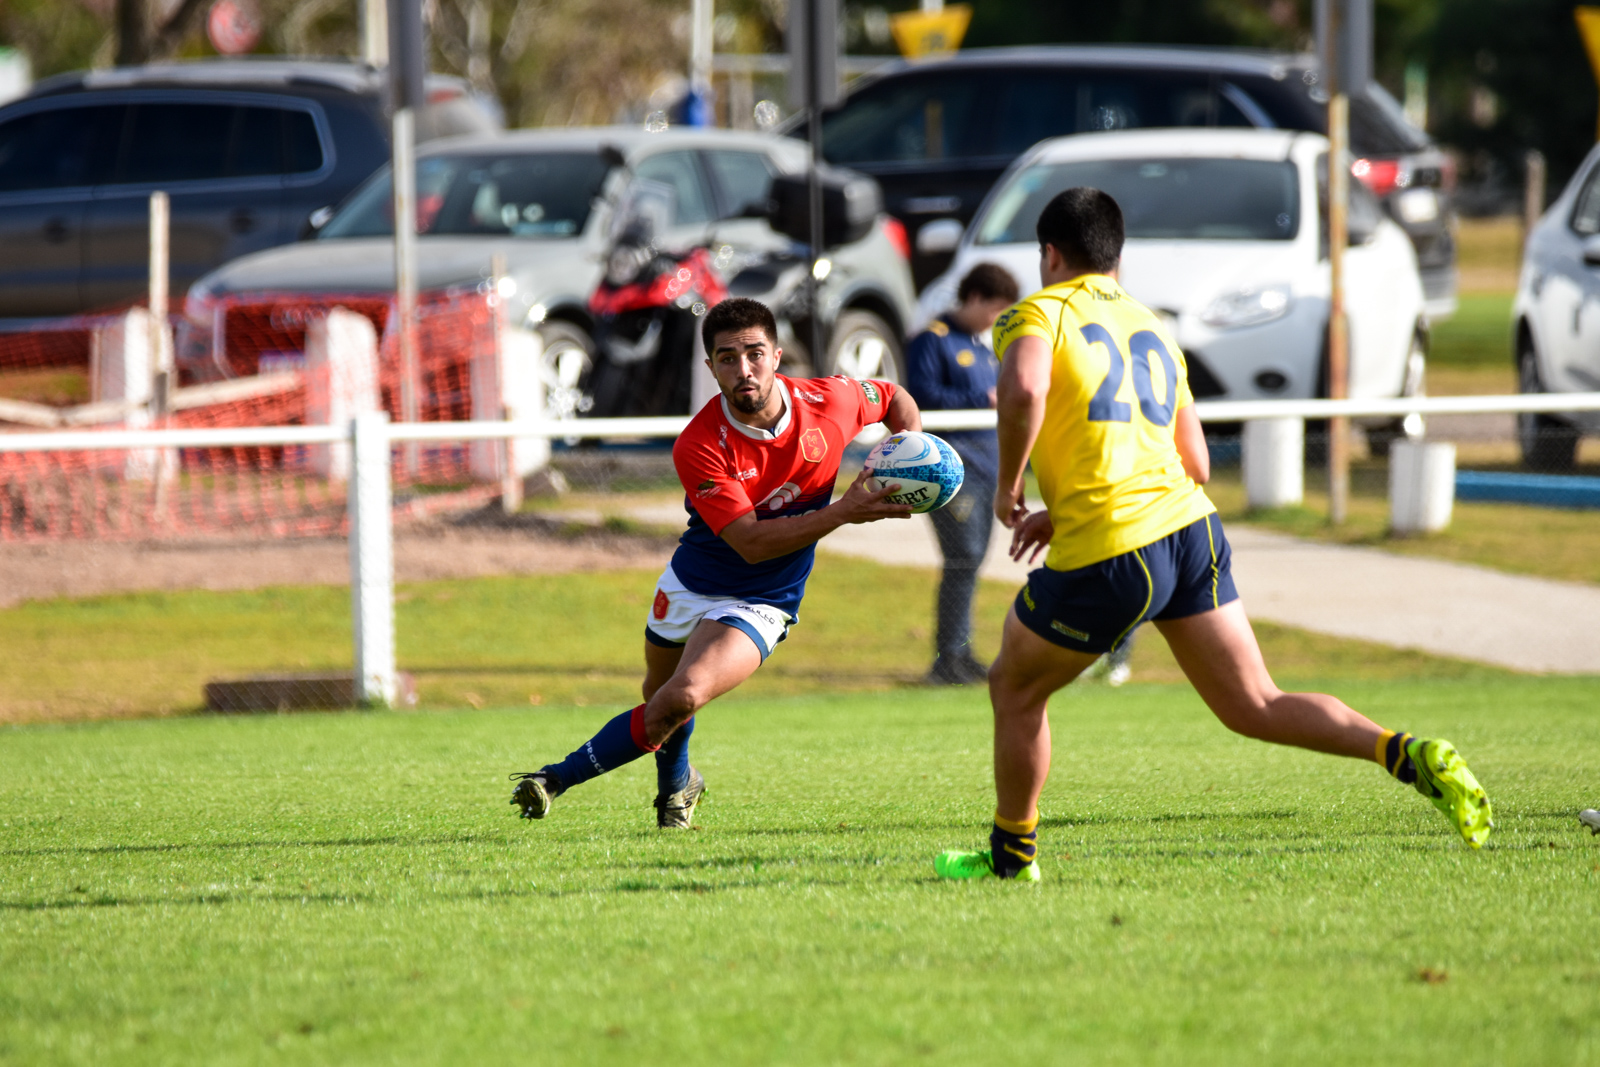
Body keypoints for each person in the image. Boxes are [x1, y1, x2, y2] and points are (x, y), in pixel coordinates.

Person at [935, 188, 1493, 881]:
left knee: (1015, 687)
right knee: (1255, 702)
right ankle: (1404, 751)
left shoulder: (1036, 311)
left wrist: (1015, 486)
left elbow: (1022, 391)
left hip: (1115, 543)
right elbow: (1194, 461)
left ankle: (1013, 857)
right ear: (1117, 252)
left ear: (1049, 254)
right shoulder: (1154, 328)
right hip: (1189, 530)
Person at [509, 297, 922, 828]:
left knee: (679, 697)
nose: (744, 370)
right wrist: (845, 512)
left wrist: (909, 451)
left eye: (755, 353)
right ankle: (679, 788)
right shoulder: (700, 444)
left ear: (777, 355)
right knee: (660, 706)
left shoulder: (832, 401)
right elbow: (750, 541)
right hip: (688, 584)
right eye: (728, 358)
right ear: (711, 368)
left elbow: (892, 397)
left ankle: (553, 779)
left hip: (763, 599)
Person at [905, 263, 1020, 685]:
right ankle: (944, 659)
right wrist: (981, 396)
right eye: (994, 310)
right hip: (952, 471)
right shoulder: (930, 341)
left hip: (988, 468)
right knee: (962, 558)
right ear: (974, 299)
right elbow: (921, 397)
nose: (996, 320)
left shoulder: (983, 346)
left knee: (971, 563)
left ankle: (961, 652)